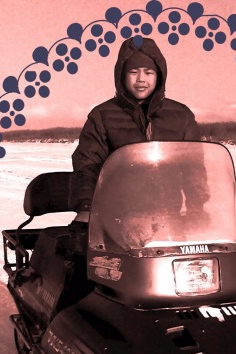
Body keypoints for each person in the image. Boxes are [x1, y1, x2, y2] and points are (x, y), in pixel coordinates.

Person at [68, 36, 204, 223]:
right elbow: (87, 164)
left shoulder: (181, 115)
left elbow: (194, 167)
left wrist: (198, 208)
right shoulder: (102, 115)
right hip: (117, 218)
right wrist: (86, 206)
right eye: (133, 72)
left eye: (148, 72)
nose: (141, 79)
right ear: (122, 75)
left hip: (170, 219)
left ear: (159, 75)